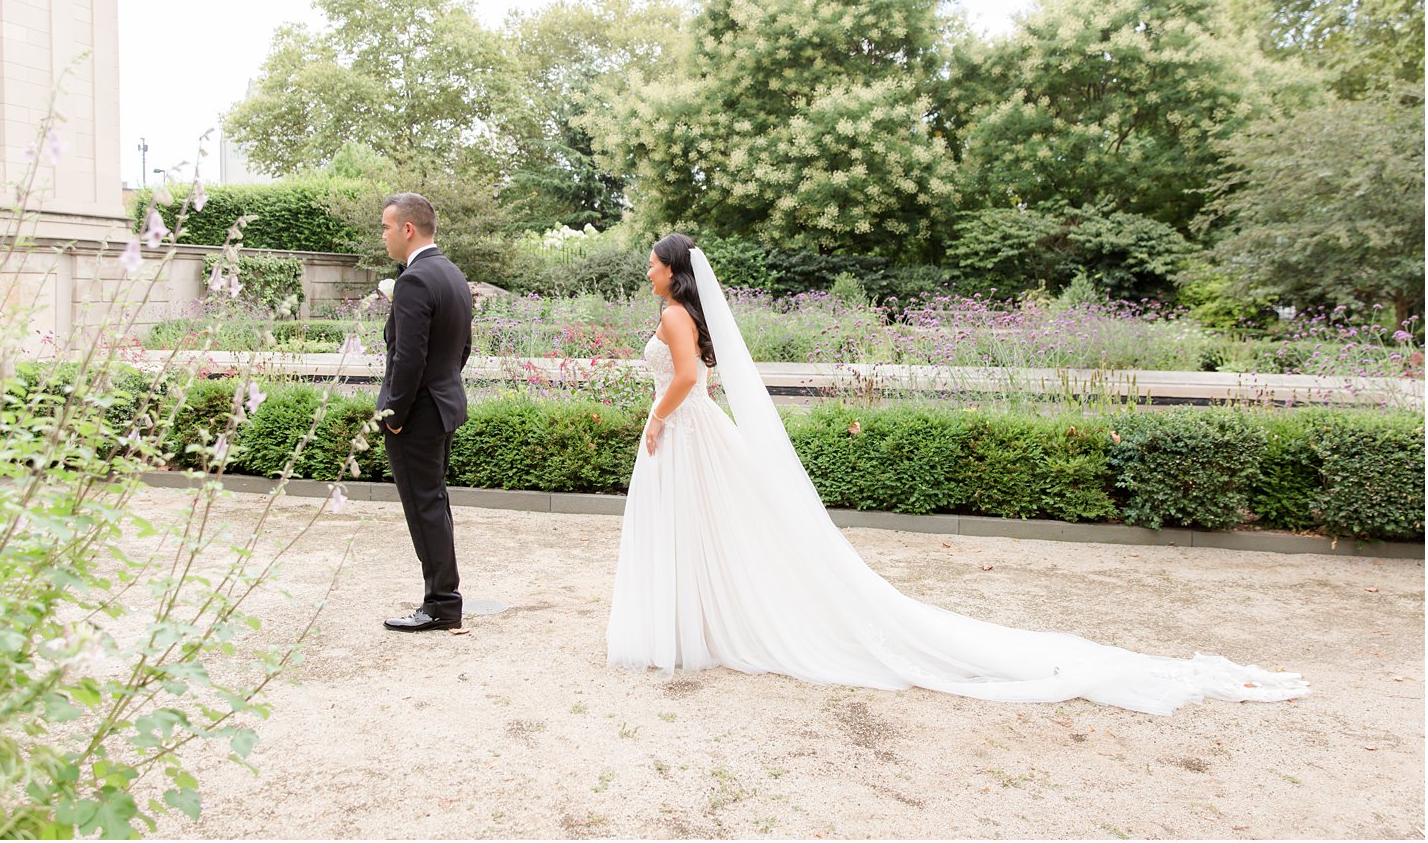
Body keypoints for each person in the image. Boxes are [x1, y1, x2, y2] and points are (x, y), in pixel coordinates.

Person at [606, 234, 1309, 715]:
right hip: (701, 433)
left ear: (673, 270)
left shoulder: (673, 316)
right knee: (709, 533)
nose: (647, 270)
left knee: (698, 531)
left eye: (651, 263)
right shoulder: (679, 311)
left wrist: (660, 418)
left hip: (688, 431)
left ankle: (685, 628)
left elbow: (691, 376)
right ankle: (693, 625)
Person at [376, 193, 473, 632]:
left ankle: (440, 604)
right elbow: (462, 348)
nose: (383, 235)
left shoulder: (415, 280)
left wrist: (394, 413)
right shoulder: (451, 273)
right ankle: (443, 599)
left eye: (386, 227)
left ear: (407, 229)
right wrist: (442, 387)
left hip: (416, 414)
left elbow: (408, 357)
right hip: (443, 405)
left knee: (424, 506)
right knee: (434, 502)